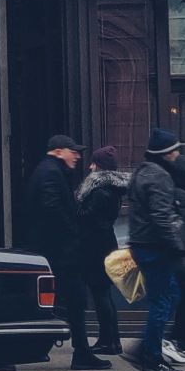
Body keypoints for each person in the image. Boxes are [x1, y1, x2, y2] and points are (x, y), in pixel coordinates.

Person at [24, 134, 110, 371]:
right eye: (73, 151)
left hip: (58, 251)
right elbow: (52, 209)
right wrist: (72, 233)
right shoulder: (51, 172)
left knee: (66, 302)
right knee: (73, 301)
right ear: (59, 151)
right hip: (60, 252)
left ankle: (80, 352)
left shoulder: (49, 170)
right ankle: (80, 353)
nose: (78, 156)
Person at [126, 128, 185, 371]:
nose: (177, 154)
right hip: (155, 248)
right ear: (165, 154)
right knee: (162, 302)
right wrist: (178, 246)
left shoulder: (142, 171)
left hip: (144, 244)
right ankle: (151, 360)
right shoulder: (160, 177)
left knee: (169, 295)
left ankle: (145, 350)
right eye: (174, 150)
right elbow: (161, 217)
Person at [74, 145, 128, 356]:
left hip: (96, 246)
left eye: (93, 163)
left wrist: (76, 202)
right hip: (104, 244)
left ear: (101, 167)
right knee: (103, 294)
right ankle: (111, 340)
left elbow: (87, 217)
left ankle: (109, 341)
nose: (89, 166)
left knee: (100, 294)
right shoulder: (110, 189)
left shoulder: (100, 191)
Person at [169, 151, 185, 362]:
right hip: (184, 255)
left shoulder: (175, 194)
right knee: (183, 299)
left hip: (180, 255)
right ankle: (181, 339)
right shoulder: (184, 195)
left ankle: (179, 338)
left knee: (181, 299)